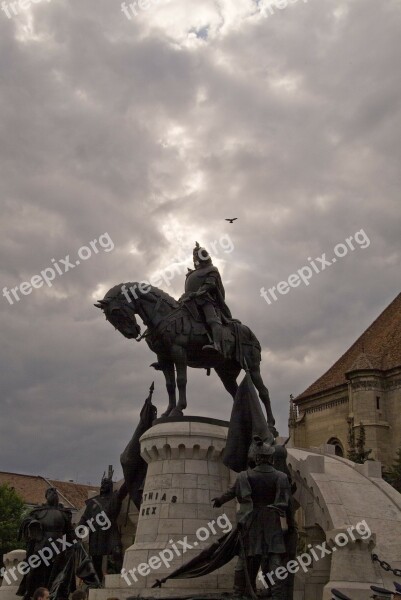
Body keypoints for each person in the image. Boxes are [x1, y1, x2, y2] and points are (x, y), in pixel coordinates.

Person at [212, 436, 290, 599]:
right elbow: (283, 502)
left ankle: (237, 593)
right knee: (274, 559)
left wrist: (219, 500)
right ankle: (277, 595)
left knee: (244, 558)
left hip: (250, 520)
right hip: (271, 520)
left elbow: (231, 492)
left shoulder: (244, 476)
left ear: (257, 457)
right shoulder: (281, 477)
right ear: (270, 458)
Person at [17, 488, 75, 600]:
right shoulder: (38, 511)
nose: (53, 494)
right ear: (46, 496)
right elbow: (27, 522)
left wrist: (74, 542)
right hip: (41, 544)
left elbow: (70, 532)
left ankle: (56, 594)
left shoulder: (64, 513)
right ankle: (33, 593)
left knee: (58, 571)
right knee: (37, 571)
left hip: (59, 546)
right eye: (50, 493)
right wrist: (32, 523)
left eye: (55, 493)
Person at [179, 242, 232, 356]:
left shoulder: (212, 269)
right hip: (188, 300)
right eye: (194, 257)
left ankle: (217, 345)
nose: (195, 260)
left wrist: (197, 294)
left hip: (205, 299)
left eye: (197, 257)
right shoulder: (191, 273)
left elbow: (210, 284)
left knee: (212, 320)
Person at [78, 473, 126, 583]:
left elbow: (123, 490)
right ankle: (98, 583)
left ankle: (121, 579)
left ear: (111, 486)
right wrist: (79, 531)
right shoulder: (93, 502)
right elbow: (85, 518)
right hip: (96, 533)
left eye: (107, 483)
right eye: (103, 483)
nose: (104, 485)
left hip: (110, 530)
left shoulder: (114, 497)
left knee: (117, 551)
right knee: (96, 561)